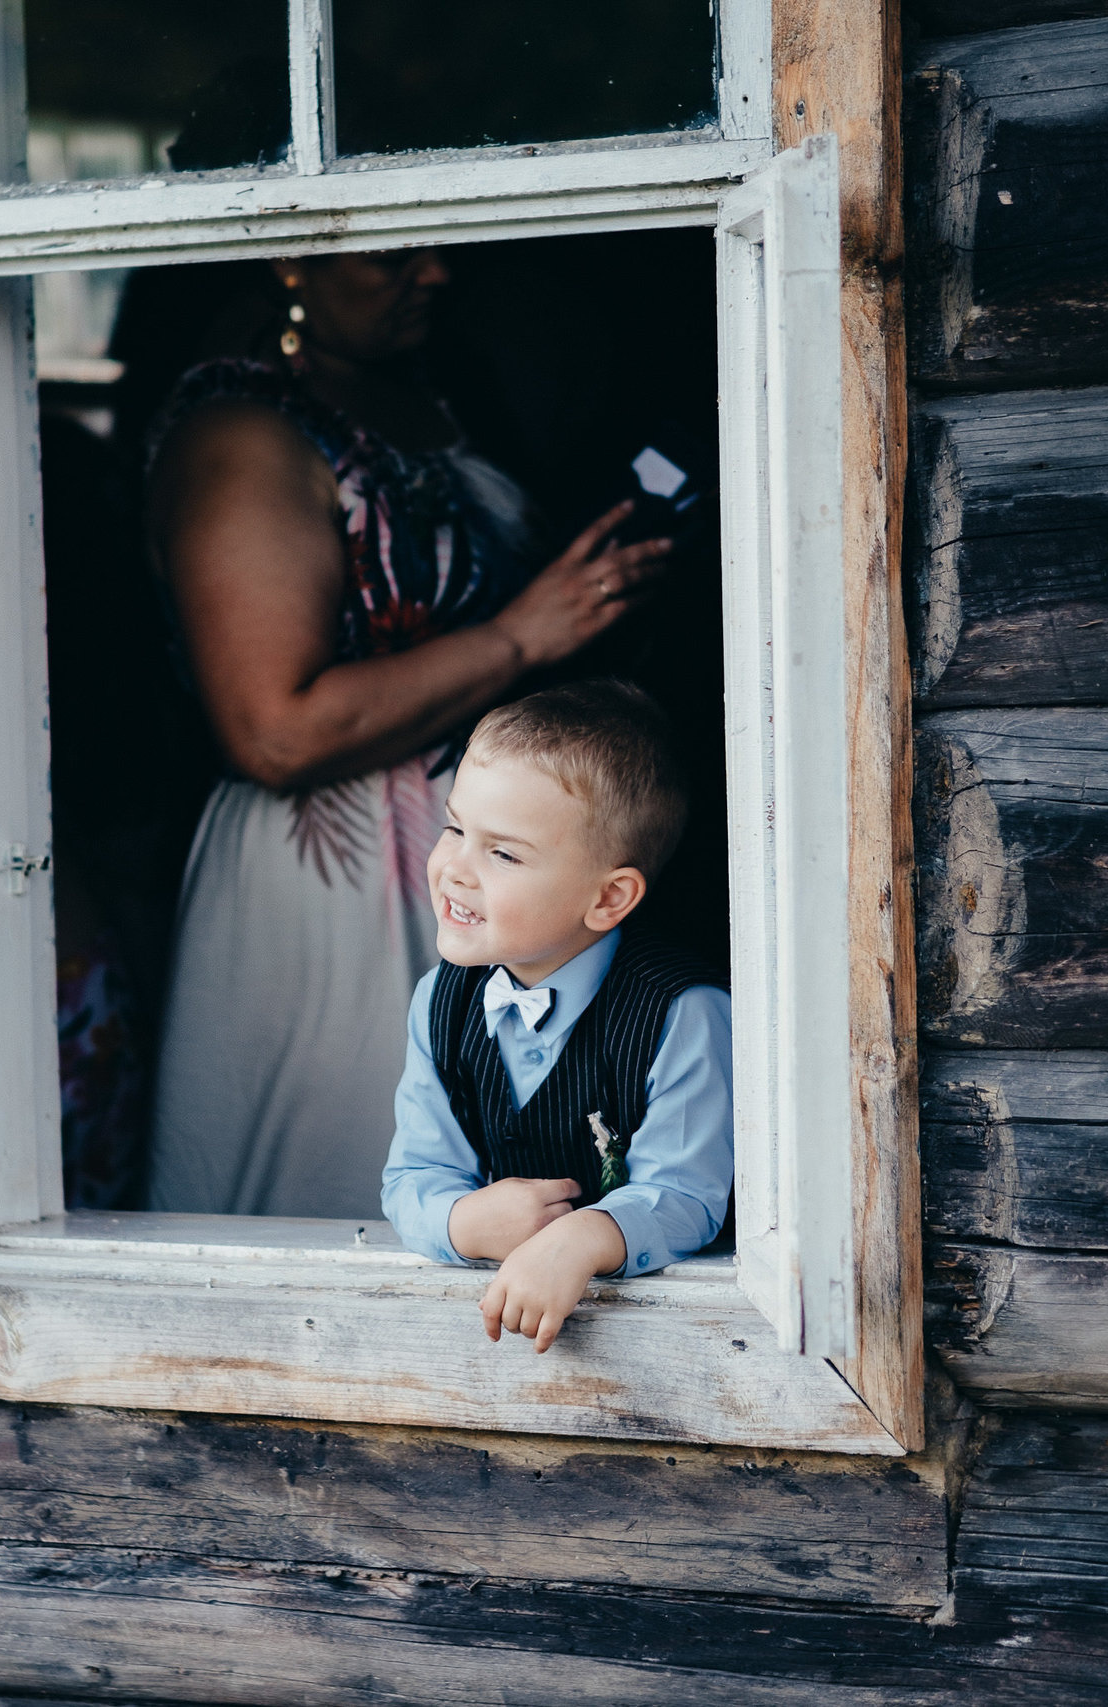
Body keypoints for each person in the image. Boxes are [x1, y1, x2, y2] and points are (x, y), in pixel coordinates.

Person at [143, 249, 674, 1219]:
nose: (434, 274)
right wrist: (525, 633)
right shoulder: (245, 432)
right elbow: (273, 732)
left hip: (474, 841)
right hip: (339, 873)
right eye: (392, 254)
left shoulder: (424, 396)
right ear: (291, 258)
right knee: (343, 1167)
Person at [380, 680, 731, 1351]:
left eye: (503, 852)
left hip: (670, 1344)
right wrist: (460, 1222)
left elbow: (686, 1193)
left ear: (607, 898)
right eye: (455, 827)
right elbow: (413, 1175)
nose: (455, 867)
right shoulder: (442, 1001)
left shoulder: (682, 1012)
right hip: (491, 1340)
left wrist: (583, 1236)